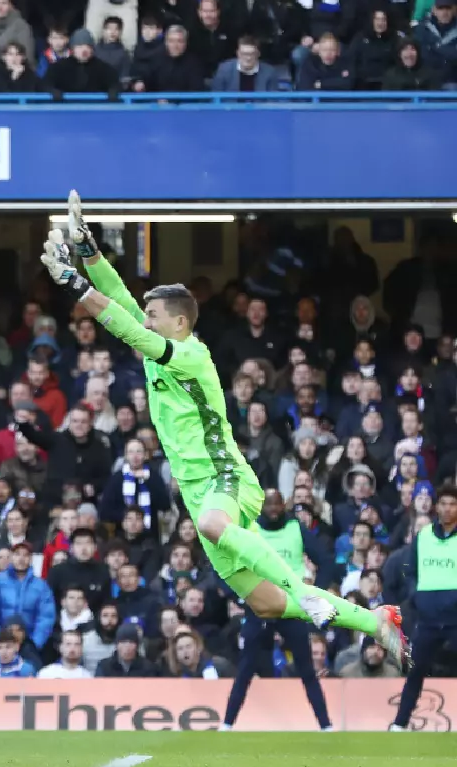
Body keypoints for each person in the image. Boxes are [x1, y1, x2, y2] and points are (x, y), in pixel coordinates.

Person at [39, 191, 409, 670]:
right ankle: (374, 619)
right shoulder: (160, 342)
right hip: (195, 491)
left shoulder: (191, 353)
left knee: (222, 531)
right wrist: (89, 252)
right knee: (265, 604)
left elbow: (125, 326)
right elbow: (121, 302)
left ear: (177, 322)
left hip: (224, 475)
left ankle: (306, 592)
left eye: (153, 316)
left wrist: (71, 282)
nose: (144, 319)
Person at [221, 489, 333, 730]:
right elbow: (224, 564)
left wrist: (315, 594)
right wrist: (239, 596)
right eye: (268, 505)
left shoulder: (296, 528)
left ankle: (326, 726)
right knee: (246, 668)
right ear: (261, 506)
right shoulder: (250, 529)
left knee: (306, 669)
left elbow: (325, 561)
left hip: (291, 606)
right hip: (259, 607)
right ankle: (227, 724)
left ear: (284, 505)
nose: (272, 509)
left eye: (277, 504)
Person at [391, 485, 457, 730]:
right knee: (415, 672)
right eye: (444, 504)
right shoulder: (424, 536)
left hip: (455, 618)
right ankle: (399, 724)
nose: (448, 508)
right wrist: (415, 594)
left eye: (453, 504)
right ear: (436, 507)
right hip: (428, 619)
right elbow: (410, 570)